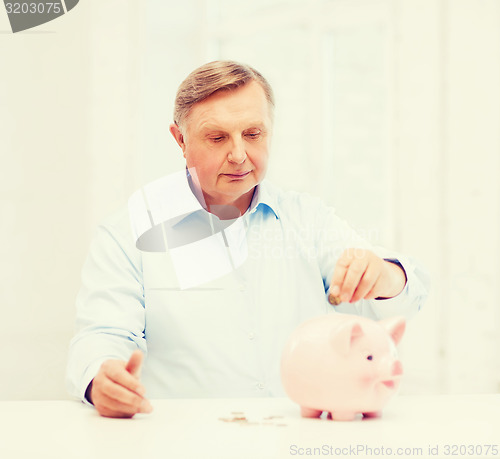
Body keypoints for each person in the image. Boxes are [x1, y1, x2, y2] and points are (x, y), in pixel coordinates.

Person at [66, 61, 429, 418]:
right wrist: (100, 379)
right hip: (184, 442)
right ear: (180, 139)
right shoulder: (128, 233)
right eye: (217, 137)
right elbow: (102, 334)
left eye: (253, 134)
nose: (239, 155)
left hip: (295, 438)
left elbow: (404, 299)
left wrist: (384, 276)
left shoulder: (307, 219)